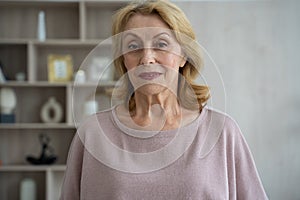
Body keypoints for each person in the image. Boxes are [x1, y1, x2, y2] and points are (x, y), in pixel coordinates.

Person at [60, 0, 268, 199]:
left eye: (161, 43)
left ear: (183, 55)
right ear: (124, 59)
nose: (147, 58)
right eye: (133, 46)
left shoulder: (222, 131)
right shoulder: (92, 134)